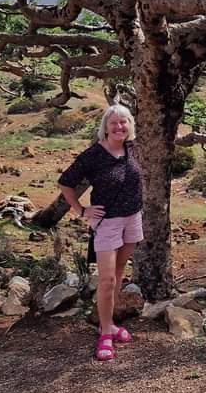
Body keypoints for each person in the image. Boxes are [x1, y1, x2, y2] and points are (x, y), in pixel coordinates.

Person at [58, 103, 143, 361]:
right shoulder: (93, 155)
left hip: (133, 218)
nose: (119, 126)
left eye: (124, 122)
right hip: (107, 223)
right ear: (105, 126)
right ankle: (105, 332)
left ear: (130, 126)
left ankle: (112, 324)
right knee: (106, 281)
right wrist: (82, 211)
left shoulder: (132, 149)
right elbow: (65, 183)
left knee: (117, 276)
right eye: (114, 122)